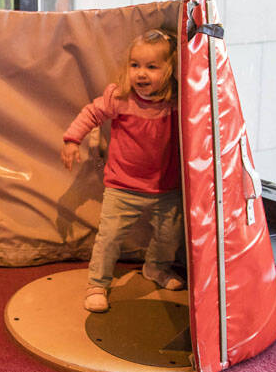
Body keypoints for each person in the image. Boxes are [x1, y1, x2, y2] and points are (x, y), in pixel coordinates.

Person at [61, 29, 185, 313]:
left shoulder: (175, 102)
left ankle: (156, 268)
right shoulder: (121, 97)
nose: (141, 74)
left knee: (169, 235)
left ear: (170, 70)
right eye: (135, 65)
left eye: (152, 67)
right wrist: (72, 139)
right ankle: (97, 283)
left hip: (165, 188)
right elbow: (91, 113)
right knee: (110, 238)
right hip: (122, 186)